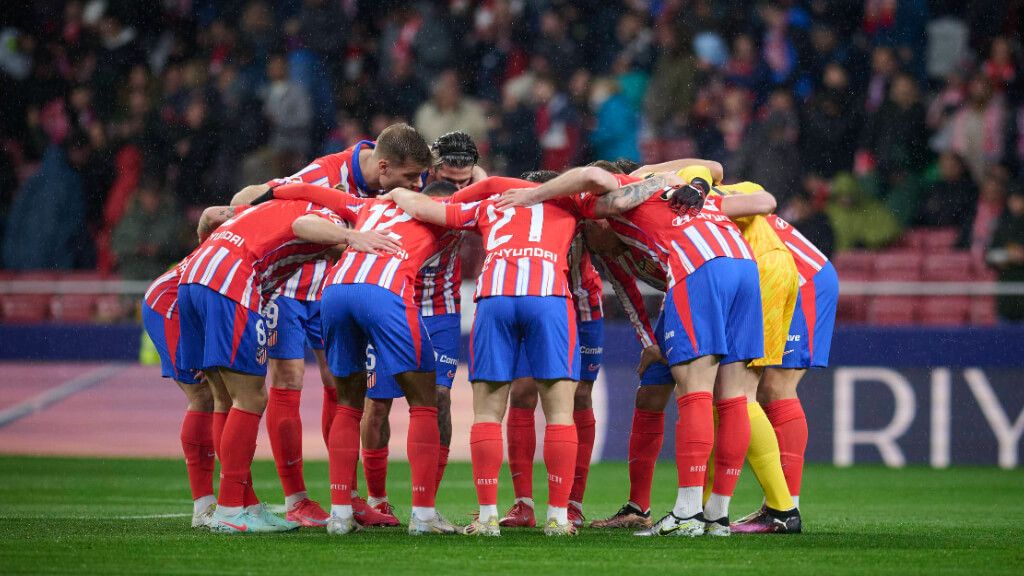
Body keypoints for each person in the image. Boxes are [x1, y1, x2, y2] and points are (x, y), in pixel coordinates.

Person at [498, 164, 774, 536]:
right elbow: (755, 195)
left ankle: (688, 514)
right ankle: (717, 515)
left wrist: (531, 195)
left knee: (694, 391)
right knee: (734, 397)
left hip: (698, 267)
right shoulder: (669, 194)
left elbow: (592, 177)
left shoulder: (613, 197)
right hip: (742, 264)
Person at [387, 173, 667, 536]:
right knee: (561, 412)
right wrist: (661, 179)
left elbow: (428, 208)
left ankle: (487, 517)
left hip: (495, 296)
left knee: (487, 411)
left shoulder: (492, 205)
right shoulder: (572, 203)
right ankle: (558, 517)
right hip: (548, 296)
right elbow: (612, 196)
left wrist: (395, 192)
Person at [229, 123, 432, 527]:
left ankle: (348, 496)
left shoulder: (392, 186)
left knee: (340, 383)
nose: (419, 184)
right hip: (285, 287)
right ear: (385, 166)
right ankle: (297, 499)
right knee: (286, 377)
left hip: (332, 289)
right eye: (411, 177)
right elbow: (244, 200)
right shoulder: (324, 174)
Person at [176, 187, 399, 534]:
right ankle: (231, 509)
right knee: (251, 396)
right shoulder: (322, 214)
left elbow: (210, 216)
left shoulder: (272, 207)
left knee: (222, 396)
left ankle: (238, 503)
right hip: (229, 283)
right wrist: (351, 235)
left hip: (194, 276)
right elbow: (305, 225)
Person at [314, 181, 464, 536]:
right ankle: (415, 513)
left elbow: (307, 201)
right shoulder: (442, 214)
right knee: (412, 404)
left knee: (350, 403)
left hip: (343, 293)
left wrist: (271, 190)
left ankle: (340, 514)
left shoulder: (370, 207)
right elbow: (490, 193)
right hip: (389, 296)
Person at [358, 131, 486, 522]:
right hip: (392, 303)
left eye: (467, 178)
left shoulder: (470, 194)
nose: (461, 185)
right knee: (377, 404)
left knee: (439, 401)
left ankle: (425, 504)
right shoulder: (401, 193)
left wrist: (472, 175)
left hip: (442, 310)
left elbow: (484, 183)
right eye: (453, 174)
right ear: (430, 169)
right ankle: (378, 499)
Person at [139, 204, 249, 529]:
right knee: (203, 394)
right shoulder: (258, 225)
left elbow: (207, 220)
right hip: (170, 304)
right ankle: (203, 506)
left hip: (192, 303)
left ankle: (230, 497)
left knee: (225, 393)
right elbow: (208, 216)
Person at [731, 210, 839, 533]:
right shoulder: (713, 195)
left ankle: (785, 508)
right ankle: (779, 506)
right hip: (789, 275)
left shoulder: (695, 200)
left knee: (776, 386)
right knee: (766, 389)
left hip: (801, 277)